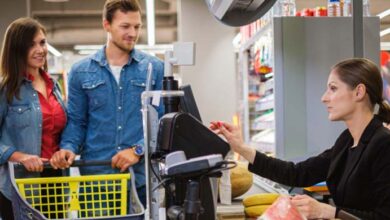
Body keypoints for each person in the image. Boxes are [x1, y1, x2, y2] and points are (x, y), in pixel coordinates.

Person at [211, 58, 390, 219]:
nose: (324, 98)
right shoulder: (347, 141)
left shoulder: (383, 144)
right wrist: (242, 148)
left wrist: (328, 211)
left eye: (333, 88)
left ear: (359, 92)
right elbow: (297, 174)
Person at [50, 0, 164, 208]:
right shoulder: (81, 71)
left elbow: (162, 121)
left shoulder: (154, 68)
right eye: (125, 26)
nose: (132, 33)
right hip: (96, 181)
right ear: (106, 25)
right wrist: (68, 148)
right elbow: (77, 121)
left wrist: (137, 150)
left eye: (137, 26)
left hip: (139, 181)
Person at [0, 18, 67, 220]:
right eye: (31, 45)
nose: (40, 50)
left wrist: (64, 150)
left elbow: (61, 130)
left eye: (42, 42)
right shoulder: (6, 89)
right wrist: (20, 157)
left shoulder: (54, 86)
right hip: (19, 184)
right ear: (17, 49)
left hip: (54, 180)